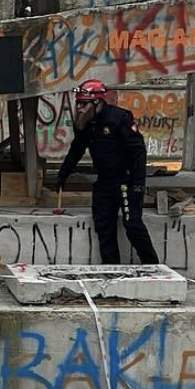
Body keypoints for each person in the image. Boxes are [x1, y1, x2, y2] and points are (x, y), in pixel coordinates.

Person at [55, 80, 158, 266]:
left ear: (97, 102)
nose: (80, 108)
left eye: (84, 104)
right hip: (104, 182)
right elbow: (76, 149)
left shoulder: (119, 118)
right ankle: (112, 268)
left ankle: (153, 265)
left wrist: (138, 184)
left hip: (125, 181)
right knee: (103, 226)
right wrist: (63, 175)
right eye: (78, 103)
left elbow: (138, 151)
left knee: (133, 225)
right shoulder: (86, 124)